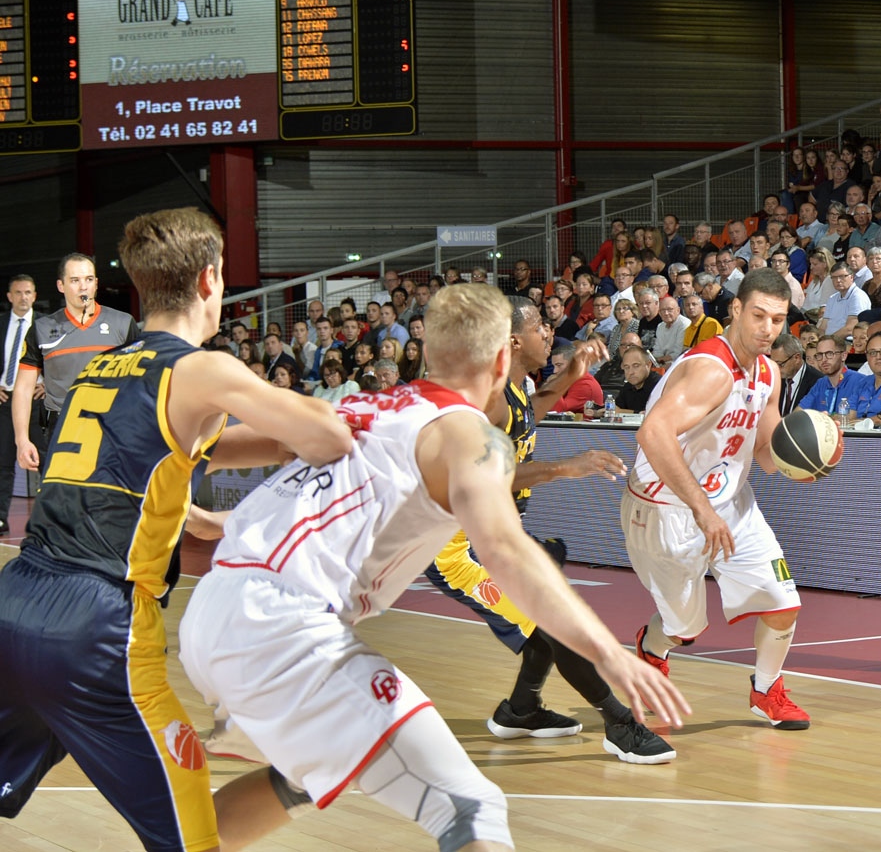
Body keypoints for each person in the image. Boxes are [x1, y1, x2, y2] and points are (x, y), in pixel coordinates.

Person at [180, 285, 688, 852]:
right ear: (503, 358)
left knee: (310, 771)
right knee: (471, 807)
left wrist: (185, 490)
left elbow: (212, 447)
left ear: (426, 352)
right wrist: (607, 649)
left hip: (210, 609)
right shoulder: (470, 434)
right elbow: (504, 548)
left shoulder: (355, 407)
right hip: (279, 625)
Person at [0, 208, 355, 852]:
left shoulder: (100, 369)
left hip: (16, 600)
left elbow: (168, 458)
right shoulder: (202, 369)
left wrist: (207, 512)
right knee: (192, 843)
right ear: (211, 279)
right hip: (97, 625)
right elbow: (326, 435)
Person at [424, 297, 674, 766]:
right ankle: (619, 723)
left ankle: (520, 710)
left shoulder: (514, 385)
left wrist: (574, 370)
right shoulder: (486, 397)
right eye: (540, 325)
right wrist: (566, 467)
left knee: (544, 618)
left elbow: (532, 408)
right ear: (514, 341)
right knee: (555, 622)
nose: (549, 330)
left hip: (496, 535)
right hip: (456, 548)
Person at [624, 268, 811, 730]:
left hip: (729, 502)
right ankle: (651, 649)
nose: (768, 329)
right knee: (686, 629)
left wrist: (803, 464)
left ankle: (766, 691)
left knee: (783, 601)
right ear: (735, 309)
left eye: (778, 319)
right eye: (759, 315)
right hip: (665, 506)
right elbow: (653, 433)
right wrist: (702, 510)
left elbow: (765, 453)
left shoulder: (768, 371)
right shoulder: (711, 369)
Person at [12, 254, 139, 473]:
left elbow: (142, 381)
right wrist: (22, 440)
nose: (83, 287)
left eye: (89, 279)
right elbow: (23, 389)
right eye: (75, 280)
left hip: (115, 429)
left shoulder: (123, 324)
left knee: (112, 505)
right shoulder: (42, 329)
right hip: (62, 430)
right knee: (62, 505)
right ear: (61, 286)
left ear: (96, 284)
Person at [0, 275, 39, 535]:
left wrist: (47, 384)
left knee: (46, 460)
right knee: (2, 462)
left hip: (38, 402)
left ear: (35, 295)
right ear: (9, 296)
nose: (24, 297)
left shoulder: (48, 324)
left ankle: (49, 521)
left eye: (28, 292)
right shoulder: (1, 323)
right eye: (19, 292)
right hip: (5, 400)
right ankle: (0, 518)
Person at [798, 336, 868, 417]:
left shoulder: (861, 381)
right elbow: (799, 412)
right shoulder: (820, 383)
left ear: (843, 356)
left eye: (829, 354)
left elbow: (853, 417)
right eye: (820, 355)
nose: (824, 359)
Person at [771, 334, 821, 415]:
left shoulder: (818, 381)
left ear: (797, 358)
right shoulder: (775, 379)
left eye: (780, 364)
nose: (777, 369)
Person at [615, 346, 661, 413]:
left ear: (648, 365)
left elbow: (652, 413)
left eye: (636, 366)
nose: (631, 372)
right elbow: (616, 410)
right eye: (627, 367)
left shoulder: (659, 385)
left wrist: (625, 412)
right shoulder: (627, 387)